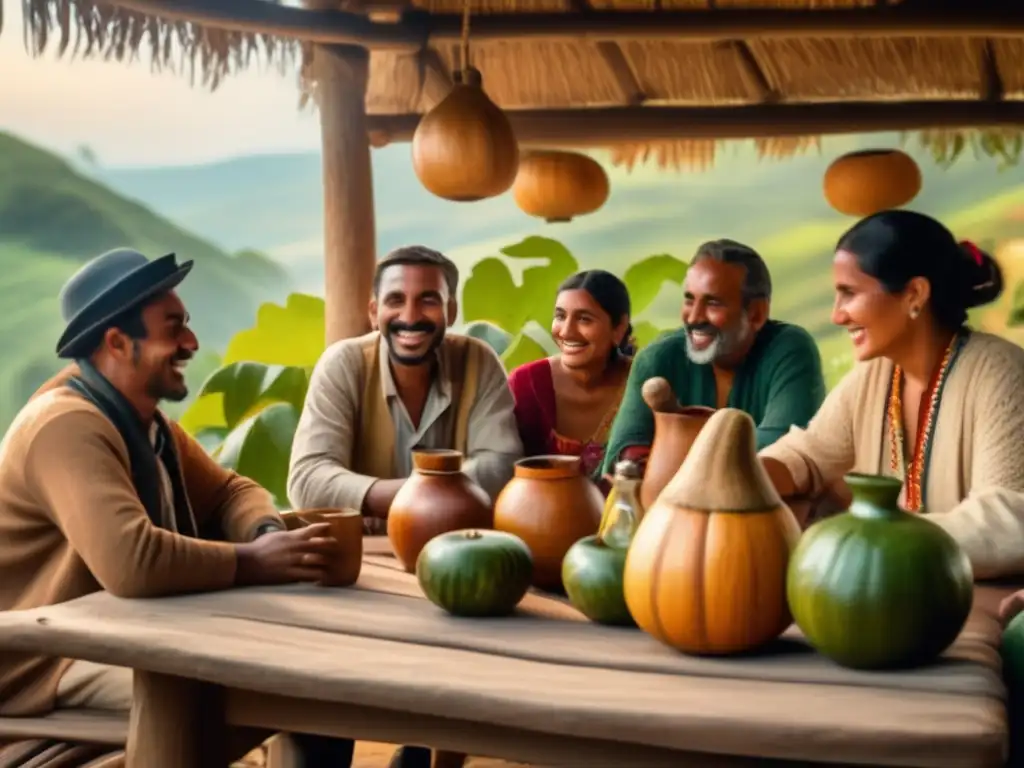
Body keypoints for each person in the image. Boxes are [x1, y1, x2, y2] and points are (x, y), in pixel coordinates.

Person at [0, 248, 354, 764]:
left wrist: (262, 533)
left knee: (316, 688)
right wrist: (256, 563)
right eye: (173, 328)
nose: (190, 342)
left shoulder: (148, 426)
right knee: (273, 690)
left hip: (125, 631)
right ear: (118, 343)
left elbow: (233, 491)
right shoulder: (65, 427)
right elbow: (133, 563)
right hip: (52, 656)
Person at [287, 244, 523, 768]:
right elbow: (307, 480)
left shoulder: (478, 361)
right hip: (356, 573)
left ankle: (422, 755)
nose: (411, 315)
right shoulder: (344, 364)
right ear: (374, 311)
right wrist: (426, 495)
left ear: (452, 310)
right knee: (323, 713)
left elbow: (505, 466)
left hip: (450, 569)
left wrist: (380, 496)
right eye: (396, 299)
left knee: (454, 679)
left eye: (428, 300)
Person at [759, 210, 1024, 579]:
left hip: (987, 602)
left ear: (915, 294)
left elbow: (1009, 521)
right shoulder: (875, 375)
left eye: (849, 293)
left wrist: (870, 540)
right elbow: (809, 454)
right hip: (897, 591)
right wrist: (743, 477)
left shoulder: (1001, 373)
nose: (837, 315)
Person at [600, 238, 826, 476]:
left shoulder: (789, 350)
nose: (694, 317)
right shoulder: (658, 359)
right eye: (689, 300)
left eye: (713, 303)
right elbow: (623, 454)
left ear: (757, 314)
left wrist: (677, 457)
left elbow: (783, 448)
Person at [508, 270, 632, 482]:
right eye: (560, 316)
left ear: (618, 328)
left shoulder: (640, 383)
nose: (566, 331)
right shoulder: (525, 383)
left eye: (584, 319)